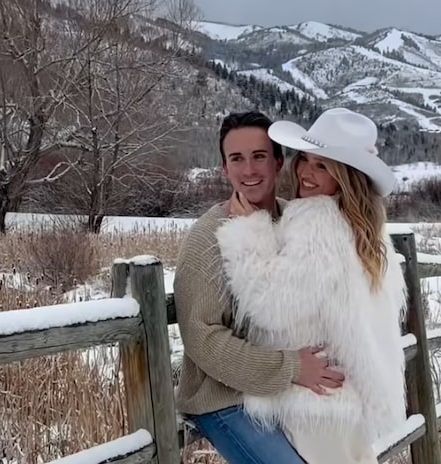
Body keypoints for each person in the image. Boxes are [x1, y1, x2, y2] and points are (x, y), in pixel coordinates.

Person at [213, 108, 409, 464]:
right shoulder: (366, 230)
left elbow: (272, 304)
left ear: (346, 176)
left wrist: (247, 231)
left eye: (322, 165)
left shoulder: (319, 222)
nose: (305, 172)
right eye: (304, 159)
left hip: (317, 406)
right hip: (348, 399)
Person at [173, 111, 345, 464]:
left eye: (259, 156)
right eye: (237, 158)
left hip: (287, 391)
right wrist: (291, 368)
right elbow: (202, 339)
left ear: (279, 162)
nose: (248, 169)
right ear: (224, 168)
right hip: (225, 399)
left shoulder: (295, 220)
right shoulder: (207, 237)